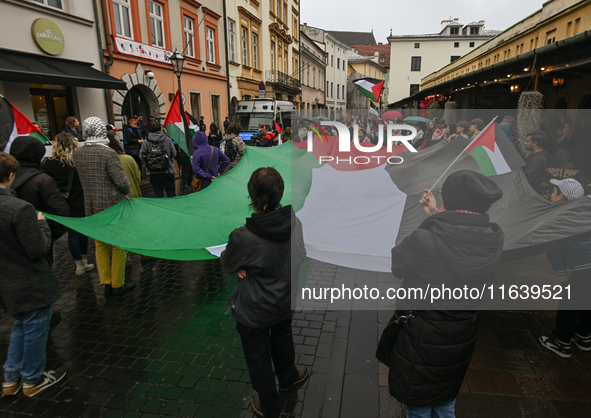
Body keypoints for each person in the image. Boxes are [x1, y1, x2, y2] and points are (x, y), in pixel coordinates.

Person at [388, 170, 504, 418]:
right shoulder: (493, 239)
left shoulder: (424, 237)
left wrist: (430, 221)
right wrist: (437, 215)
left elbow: (399, 265)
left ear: (450, 200)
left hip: (422, 333)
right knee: (445, 398)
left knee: (418, 402)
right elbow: (460, 242)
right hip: (462, 333)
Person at [220, 167, 308, 418]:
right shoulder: (294, 222)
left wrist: (242, 266)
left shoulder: (242, 237)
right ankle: (288, 376)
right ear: (279, 192)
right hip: (284, 300)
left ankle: (269, 404)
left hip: (253, 309)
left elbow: (227, 263)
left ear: (252, 195)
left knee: (258, 356)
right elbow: (300, 254)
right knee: (283, 337)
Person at [0, 152, 66, 398]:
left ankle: (10, 377)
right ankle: (33, 379)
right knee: (36, 330)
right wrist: (41, 223)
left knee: (20, 327)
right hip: (30, 283)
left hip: (6, 283)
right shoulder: (19, 208)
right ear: (10, 176)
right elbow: (37, 248)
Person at [74, 117, 134, 296]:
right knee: (118, 245)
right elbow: (122, 182)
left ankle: (106, 283)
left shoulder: (78, 153)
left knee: (100, 246)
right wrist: (126, 190)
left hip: (91, 206)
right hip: (112, 206)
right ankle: (118, 284)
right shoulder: (108, 154)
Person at [539, 178, 591, 358]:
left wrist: (562, 273)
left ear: (560, 197)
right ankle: (583, 336)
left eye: (553, 192)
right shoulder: (586, 209)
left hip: (583, 268)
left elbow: (555, 249)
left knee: (570, 304)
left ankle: (561, 342)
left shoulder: (562, 218)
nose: (550, 195)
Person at [42, 133, 95, 276]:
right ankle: (83, 261)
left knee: (71, 232)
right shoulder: (78, 160)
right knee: (81, 230)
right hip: (79, 199)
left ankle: (78, 263)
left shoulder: (49, 162)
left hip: (60, 201)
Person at [8, 136, 70, 245]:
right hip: (37, 237)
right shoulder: (42, 180)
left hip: (9, 241)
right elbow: (62, 212)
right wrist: (49, 235)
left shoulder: (5, 177)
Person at [140, 121, 177, 198]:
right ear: (160, 129)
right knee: (171, 195)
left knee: (158, 195)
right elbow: (174, 154)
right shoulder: (167, 140)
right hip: (167, 171)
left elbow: (141, 156)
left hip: (153, 172)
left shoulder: (146, 141)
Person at [107, 133, 142, 198]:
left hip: (118, 199)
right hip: (134, 195)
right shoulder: (129, 159)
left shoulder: (107, 161)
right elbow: (138, 176)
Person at [523, 130, 553, 195]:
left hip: (530, 194)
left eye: (528, 141)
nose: (525, 143)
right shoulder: (535, 157)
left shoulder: (538, 160)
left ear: (535, 143)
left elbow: (527, 178)